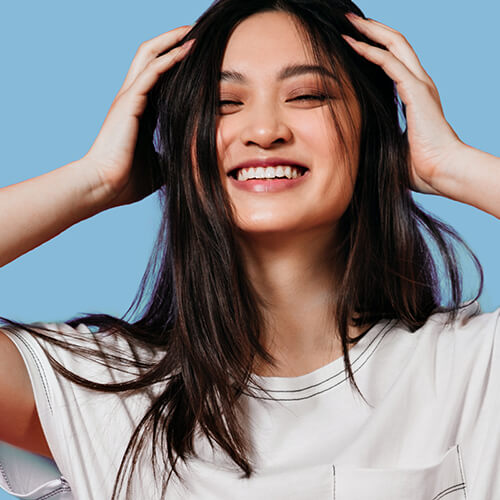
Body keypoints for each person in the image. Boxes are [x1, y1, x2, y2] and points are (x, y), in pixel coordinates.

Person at [0, 0, 499, 498]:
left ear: (372, 132)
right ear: (183, 145)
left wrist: (450, 166)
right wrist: (95, 180)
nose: (264, 132)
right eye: (224, 104)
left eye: (306, 96)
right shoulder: (104, 393)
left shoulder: (473, 369)